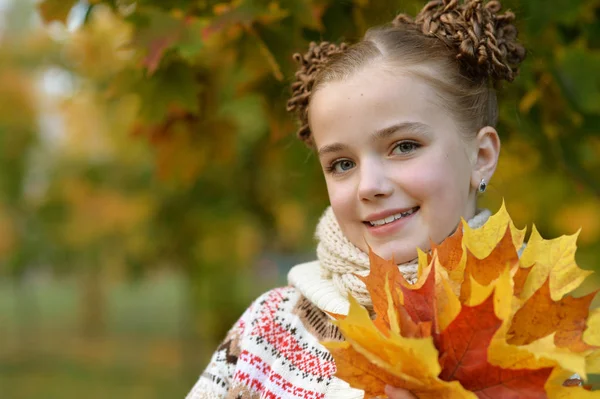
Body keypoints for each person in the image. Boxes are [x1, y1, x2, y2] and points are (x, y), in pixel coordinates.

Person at [186, 0, 526, 397]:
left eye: (404, 146)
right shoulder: (270, 329)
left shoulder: (532, 330)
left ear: (481, 157)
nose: (369, 186)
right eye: (342, 164)